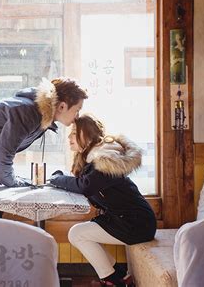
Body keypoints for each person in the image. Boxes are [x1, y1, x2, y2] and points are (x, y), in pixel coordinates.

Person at [0, 78, 88, 218]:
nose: (77, 116)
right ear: (62, 106)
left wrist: (12, 180)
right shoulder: (28, 112)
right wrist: (13, 182)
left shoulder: (38, 113)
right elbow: (3, 151)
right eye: (77, 110)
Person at [50, 114, 156, 287]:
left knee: (77, 234)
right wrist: (63, 180)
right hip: (125, 220)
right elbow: (86, 185)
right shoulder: (94, 160)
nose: (69, 137)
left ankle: (113, 281)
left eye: (74, 132)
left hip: (137, 224)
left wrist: (57, 180)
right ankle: (119, 277)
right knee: (79, 233)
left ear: (87, 135)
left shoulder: (106, 160)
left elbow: (85, 186)